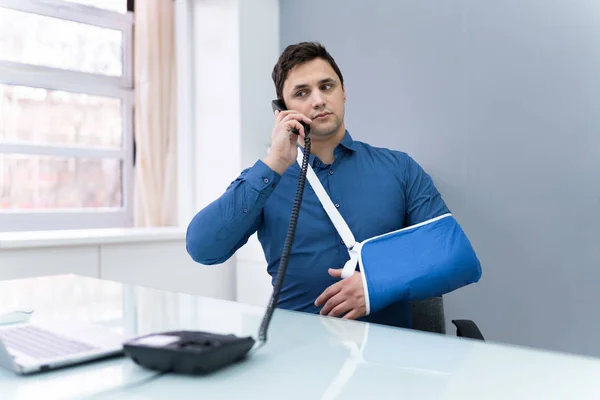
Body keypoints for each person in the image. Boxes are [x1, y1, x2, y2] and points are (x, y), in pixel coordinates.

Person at [186, 41, 475, 329]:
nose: (318, 100)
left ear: (344, 92)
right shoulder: (264, 180)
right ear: (282, 109)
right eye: (302, 93)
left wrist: (377, 285)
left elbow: (456, 257)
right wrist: (274, 162)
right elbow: (202, 248)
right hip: (299, 356)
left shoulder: (399, 168)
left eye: (327, 87)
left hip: (389, 358)